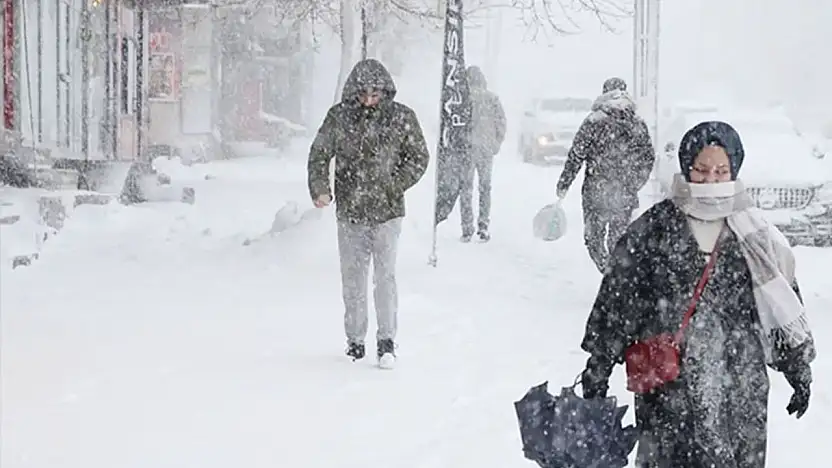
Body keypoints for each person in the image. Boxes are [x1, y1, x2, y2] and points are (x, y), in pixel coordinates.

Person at [578, 121, 815, 467]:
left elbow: (781, 304)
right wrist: (598, 366)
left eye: (721, 171)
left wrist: (798, 370)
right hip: (669, 388)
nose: (710, 180)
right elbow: (618, 299)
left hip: (738, 385)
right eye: (701, 171)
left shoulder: (756, 235)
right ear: (687, 169)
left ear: (734, 171)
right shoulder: (654, 229)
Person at [307, 59, 430, 368]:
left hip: (388, 213)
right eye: (363, 93)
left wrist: (395, 184)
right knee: (353, 278)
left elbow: (419, 156)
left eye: (375, 93)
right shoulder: (339, 118)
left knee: (385, 277)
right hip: (350, 212)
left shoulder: (402, 117)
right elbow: (319, 154)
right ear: (354, 92)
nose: (369, 99)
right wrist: (321, 188)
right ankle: (355, 340)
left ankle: (387, 340)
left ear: (385, 91)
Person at [555, 77, 655, 272]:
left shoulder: (593, 121)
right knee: (618, 240)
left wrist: (564, 184)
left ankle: (608, 273)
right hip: (624, 192)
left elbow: (576, 155)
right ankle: (617, 277)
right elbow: (648, 158)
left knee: (594, 240)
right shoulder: (637, 122)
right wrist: (635, 183)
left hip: (596, 191)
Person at [459, 66, 506, 242]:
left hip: (467, 148)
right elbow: (501, 122)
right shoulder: (492, 99)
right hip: (486, 149)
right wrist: (496, 143)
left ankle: (466, 227)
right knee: (485, 188)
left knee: (466, 189)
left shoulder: (463, 99)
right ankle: (483, 224)